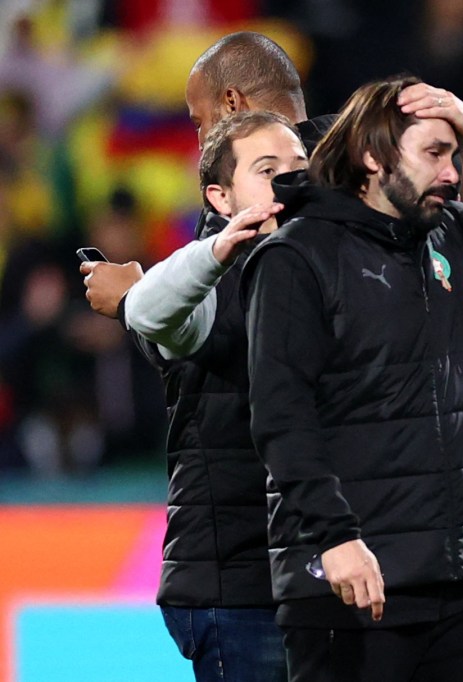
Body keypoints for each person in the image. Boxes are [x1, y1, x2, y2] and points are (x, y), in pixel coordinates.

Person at [241, 75, 463, 681]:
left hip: (456, 581)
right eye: (434, 153)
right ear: (373, 157)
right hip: (349, 585)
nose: (451, 172)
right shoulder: (297, 258)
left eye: (454, 154)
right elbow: (281, 414)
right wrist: (335, 538)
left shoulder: (450, 234)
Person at [78, 34, 317, 682]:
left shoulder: (265, 206)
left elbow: (252, 351)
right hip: (318, 557)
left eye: (197, 120)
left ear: (233, 102)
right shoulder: (355, 193)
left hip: (243, 560)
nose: (198, 140)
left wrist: (140, 301)